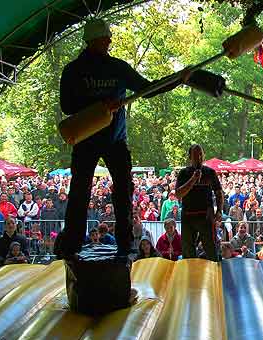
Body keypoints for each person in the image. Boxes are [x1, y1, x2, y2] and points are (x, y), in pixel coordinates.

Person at [55, 18, 189, 259]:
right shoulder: (73, 70)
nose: (109, 40)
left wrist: (178, 78)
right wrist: (99, 105)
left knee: (123, 192)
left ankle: (125, 243)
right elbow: (67, 106)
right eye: (105, 37)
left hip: (114, 140)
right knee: (79, 193)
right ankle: (72, 245)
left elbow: (147, 89)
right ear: (93, 40)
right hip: (87, 138)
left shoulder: (117, 67)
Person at [175, 144, 224, 262]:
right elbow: (178, 194)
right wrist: (192, 180)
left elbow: (219, 192)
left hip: (206, 216)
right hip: (188, 216)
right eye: (196, 155)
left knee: (211, 248)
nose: (199, 157)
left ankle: (214, 276)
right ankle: (190, 276)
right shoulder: (183, 173)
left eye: (201, 154)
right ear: (189, 157)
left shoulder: (210, 172)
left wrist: (219, 211)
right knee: (188, 250)